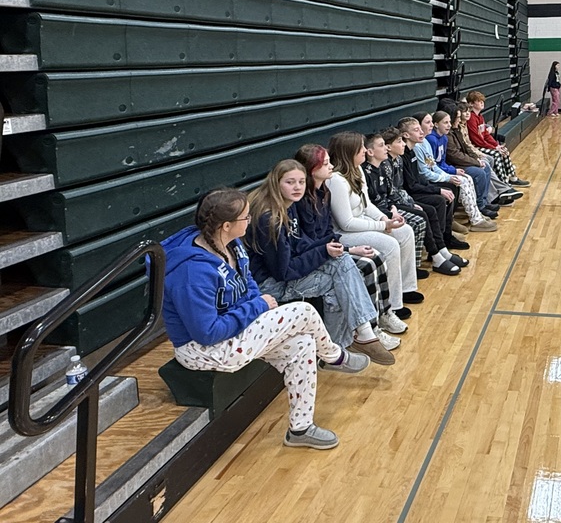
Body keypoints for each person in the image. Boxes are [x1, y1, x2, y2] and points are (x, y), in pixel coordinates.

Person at [162, 188, 352, 450]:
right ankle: (333, 356)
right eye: (246, 218)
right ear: (226, 225)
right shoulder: (191, 271)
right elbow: (206, 332)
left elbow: (249, 283)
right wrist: (257, 307)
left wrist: (255, 304)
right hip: (203, 349)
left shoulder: (233, 244)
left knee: (304, 344)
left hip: (236, 331)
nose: (250, 221)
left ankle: (300, 429)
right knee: (304, 312)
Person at [247, 157, 399, 362]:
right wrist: (324, 252)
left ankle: (342, 346)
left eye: (301, 181)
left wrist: (338, 248)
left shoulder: (288, 205)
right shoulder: (270, 218)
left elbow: (299, 244)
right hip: (270, 286)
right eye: (290, 182)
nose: (297, 187)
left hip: (284, 274)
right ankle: (350, 341)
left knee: (342, 266)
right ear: (276, 182)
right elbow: (283, 272)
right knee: (340, 279)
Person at [326, 132, 421, 315]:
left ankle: (406, 288)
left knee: (405, 231)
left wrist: (384, 219)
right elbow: (346, 223)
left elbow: (367, 204)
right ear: (348, 151)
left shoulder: (357, 169)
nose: (364, 150)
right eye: (360, 148)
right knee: (391, 244)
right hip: (345, 233)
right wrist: (382, 227)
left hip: (362, 221)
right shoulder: (336, 180)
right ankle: (392, 306)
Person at [366, 131, 466, 276]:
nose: (403, 145)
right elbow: (390, 193)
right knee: (423, 215)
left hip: (396, 201)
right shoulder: (382, 166)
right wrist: (407, 205)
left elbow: (396, 190)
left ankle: (441, 248)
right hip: (390, 205)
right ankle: (432, 256)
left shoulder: (398, 160)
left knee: (433, 206)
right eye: (399, 142)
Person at [410, 113, 497, 232]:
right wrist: (448, 177)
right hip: (427, 180)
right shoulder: (426, 142)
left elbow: (434, 165)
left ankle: (475, 214)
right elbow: (425, 172)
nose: (430, 126)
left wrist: (450, 174)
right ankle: (472, 219)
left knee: (466, 179)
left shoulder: (426, 142)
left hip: (438, 173)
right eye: (427, 123)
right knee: (460, 182)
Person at [394, 118, 469, 250]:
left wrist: (439, 186)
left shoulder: (412, 151)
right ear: (406, 135)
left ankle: (446, 235)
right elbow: (411, 185)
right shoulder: (404, 156)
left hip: (417, 188)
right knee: (439, 200)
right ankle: (439, 244)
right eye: (416, 130)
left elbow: (423, 175)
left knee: (448, 191)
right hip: (410, 194)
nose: (421, 132)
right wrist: (437, 190)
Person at [427, 110, 492, 213]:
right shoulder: (431, 140)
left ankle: (481, 205)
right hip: (439, 172)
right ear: (436, 124)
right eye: (445, 122)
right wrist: (453, 171)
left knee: (481, 169)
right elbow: (433, 165)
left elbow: (442, 161)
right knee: (468, 178)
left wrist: (453, 169)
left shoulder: (444, 138)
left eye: (449, 122)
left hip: (445, 169)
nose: (449, 125)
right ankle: (476, 212)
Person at [466, 91, 529, 186]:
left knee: (503, 150)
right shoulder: (471, 118)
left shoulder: (480, 117)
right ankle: (503, 182)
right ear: (471, 103)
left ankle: (513, 178)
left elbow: (486, 135)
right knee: (497, 154)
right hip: (475, 147)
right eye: (478, 101)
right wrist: (494, 148)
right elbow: (477, 140)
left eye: (482, 101)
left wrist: (496, 145)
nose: (482, 103)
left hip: (482, 144)